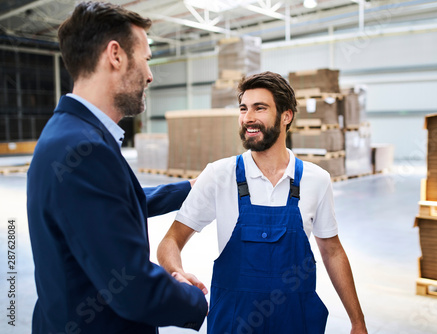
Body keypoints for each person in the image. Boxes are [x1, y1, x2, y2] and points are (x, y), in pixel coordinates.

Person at [26, 2, 207, 333]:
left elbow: (109, 206)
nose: (150, 75)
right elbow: (132, 290)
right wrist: (197, 299)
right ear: (116, 55)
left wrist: (188, 190)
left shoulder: (66, 133)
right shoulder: (85, 149)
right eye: (147, 59)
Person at [157, 71, 367, 333]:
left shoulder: (317, 180)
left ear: (286, 115)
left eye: (260, 108)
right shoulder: (219, 175)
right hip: (234, 323)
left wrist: (357, 321)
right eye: (243, 109)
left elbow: (332, 251)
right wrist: (177, 272)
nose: (248, 118)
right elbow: (170, 240)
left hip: (295, 322)